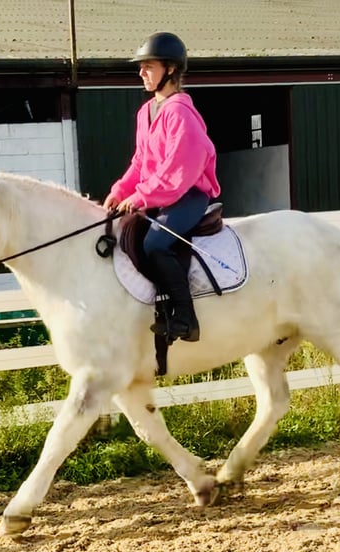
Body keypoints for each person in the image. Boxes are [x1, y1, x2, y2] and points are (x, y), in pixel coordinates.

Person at [103, 32, 221, 343]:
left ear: (170, 69)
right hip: (159, 193)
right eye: (140, 67)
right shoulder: (147, 112)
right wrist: (120, 190)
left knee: (155, 244)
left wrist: (140, 197)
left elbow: (178, 170)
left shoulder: (180, 112)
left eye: (148, 66)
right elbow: (141, 162)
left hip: (187, 194)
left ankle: (186, 318)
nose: (141, 72)